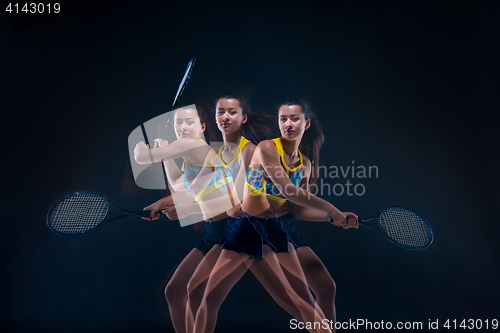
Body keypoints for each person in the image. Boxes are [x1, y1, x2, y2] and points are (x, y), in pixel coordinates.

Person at [191, 98, 359, 333]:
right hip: (248, 227)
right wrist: (332, 209)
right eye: (283, 119)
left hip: (276, 228)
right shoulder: (267, 148)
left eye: (294, 118)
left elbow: (298, 209)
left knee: (301, 301)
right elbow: (288, 190)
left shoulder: (305, 165)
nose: (288, 124)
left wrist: (334, 218)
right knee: (213, 299)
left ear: (307, 123)